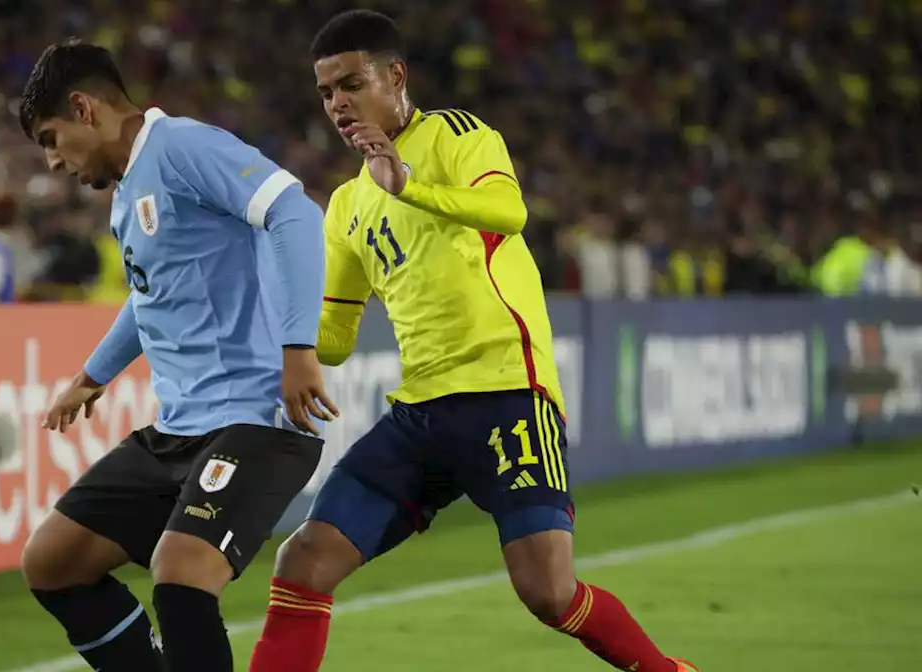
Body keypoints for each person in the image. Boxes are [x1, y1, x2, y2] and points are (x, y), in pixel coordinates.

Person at [248, 11, 697, 672]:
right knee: (305, 560)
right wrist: (271, 325)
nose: (338, 103)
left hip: (507, 396)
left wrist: (411, 186)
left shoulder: (456, 135)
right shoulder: (345, 206)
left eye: (351, 83)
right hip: (420, 416)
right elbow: (335, 338)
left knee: (548, 592)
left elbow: (509, 211)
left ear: (395, 76)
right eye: (325, 93)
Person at [19, 39, 337, 672]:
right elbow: (149, 296)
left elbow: (293, 213)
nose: (53, 162)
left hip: (257, 420)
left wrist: (298, 347)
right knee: (52, 562)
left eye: (52, 139)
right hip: (178, 429)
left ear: (85, 109)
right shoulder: (125, 193)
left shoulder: (183, 147)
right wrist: (93, 374)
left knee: (182, 573)